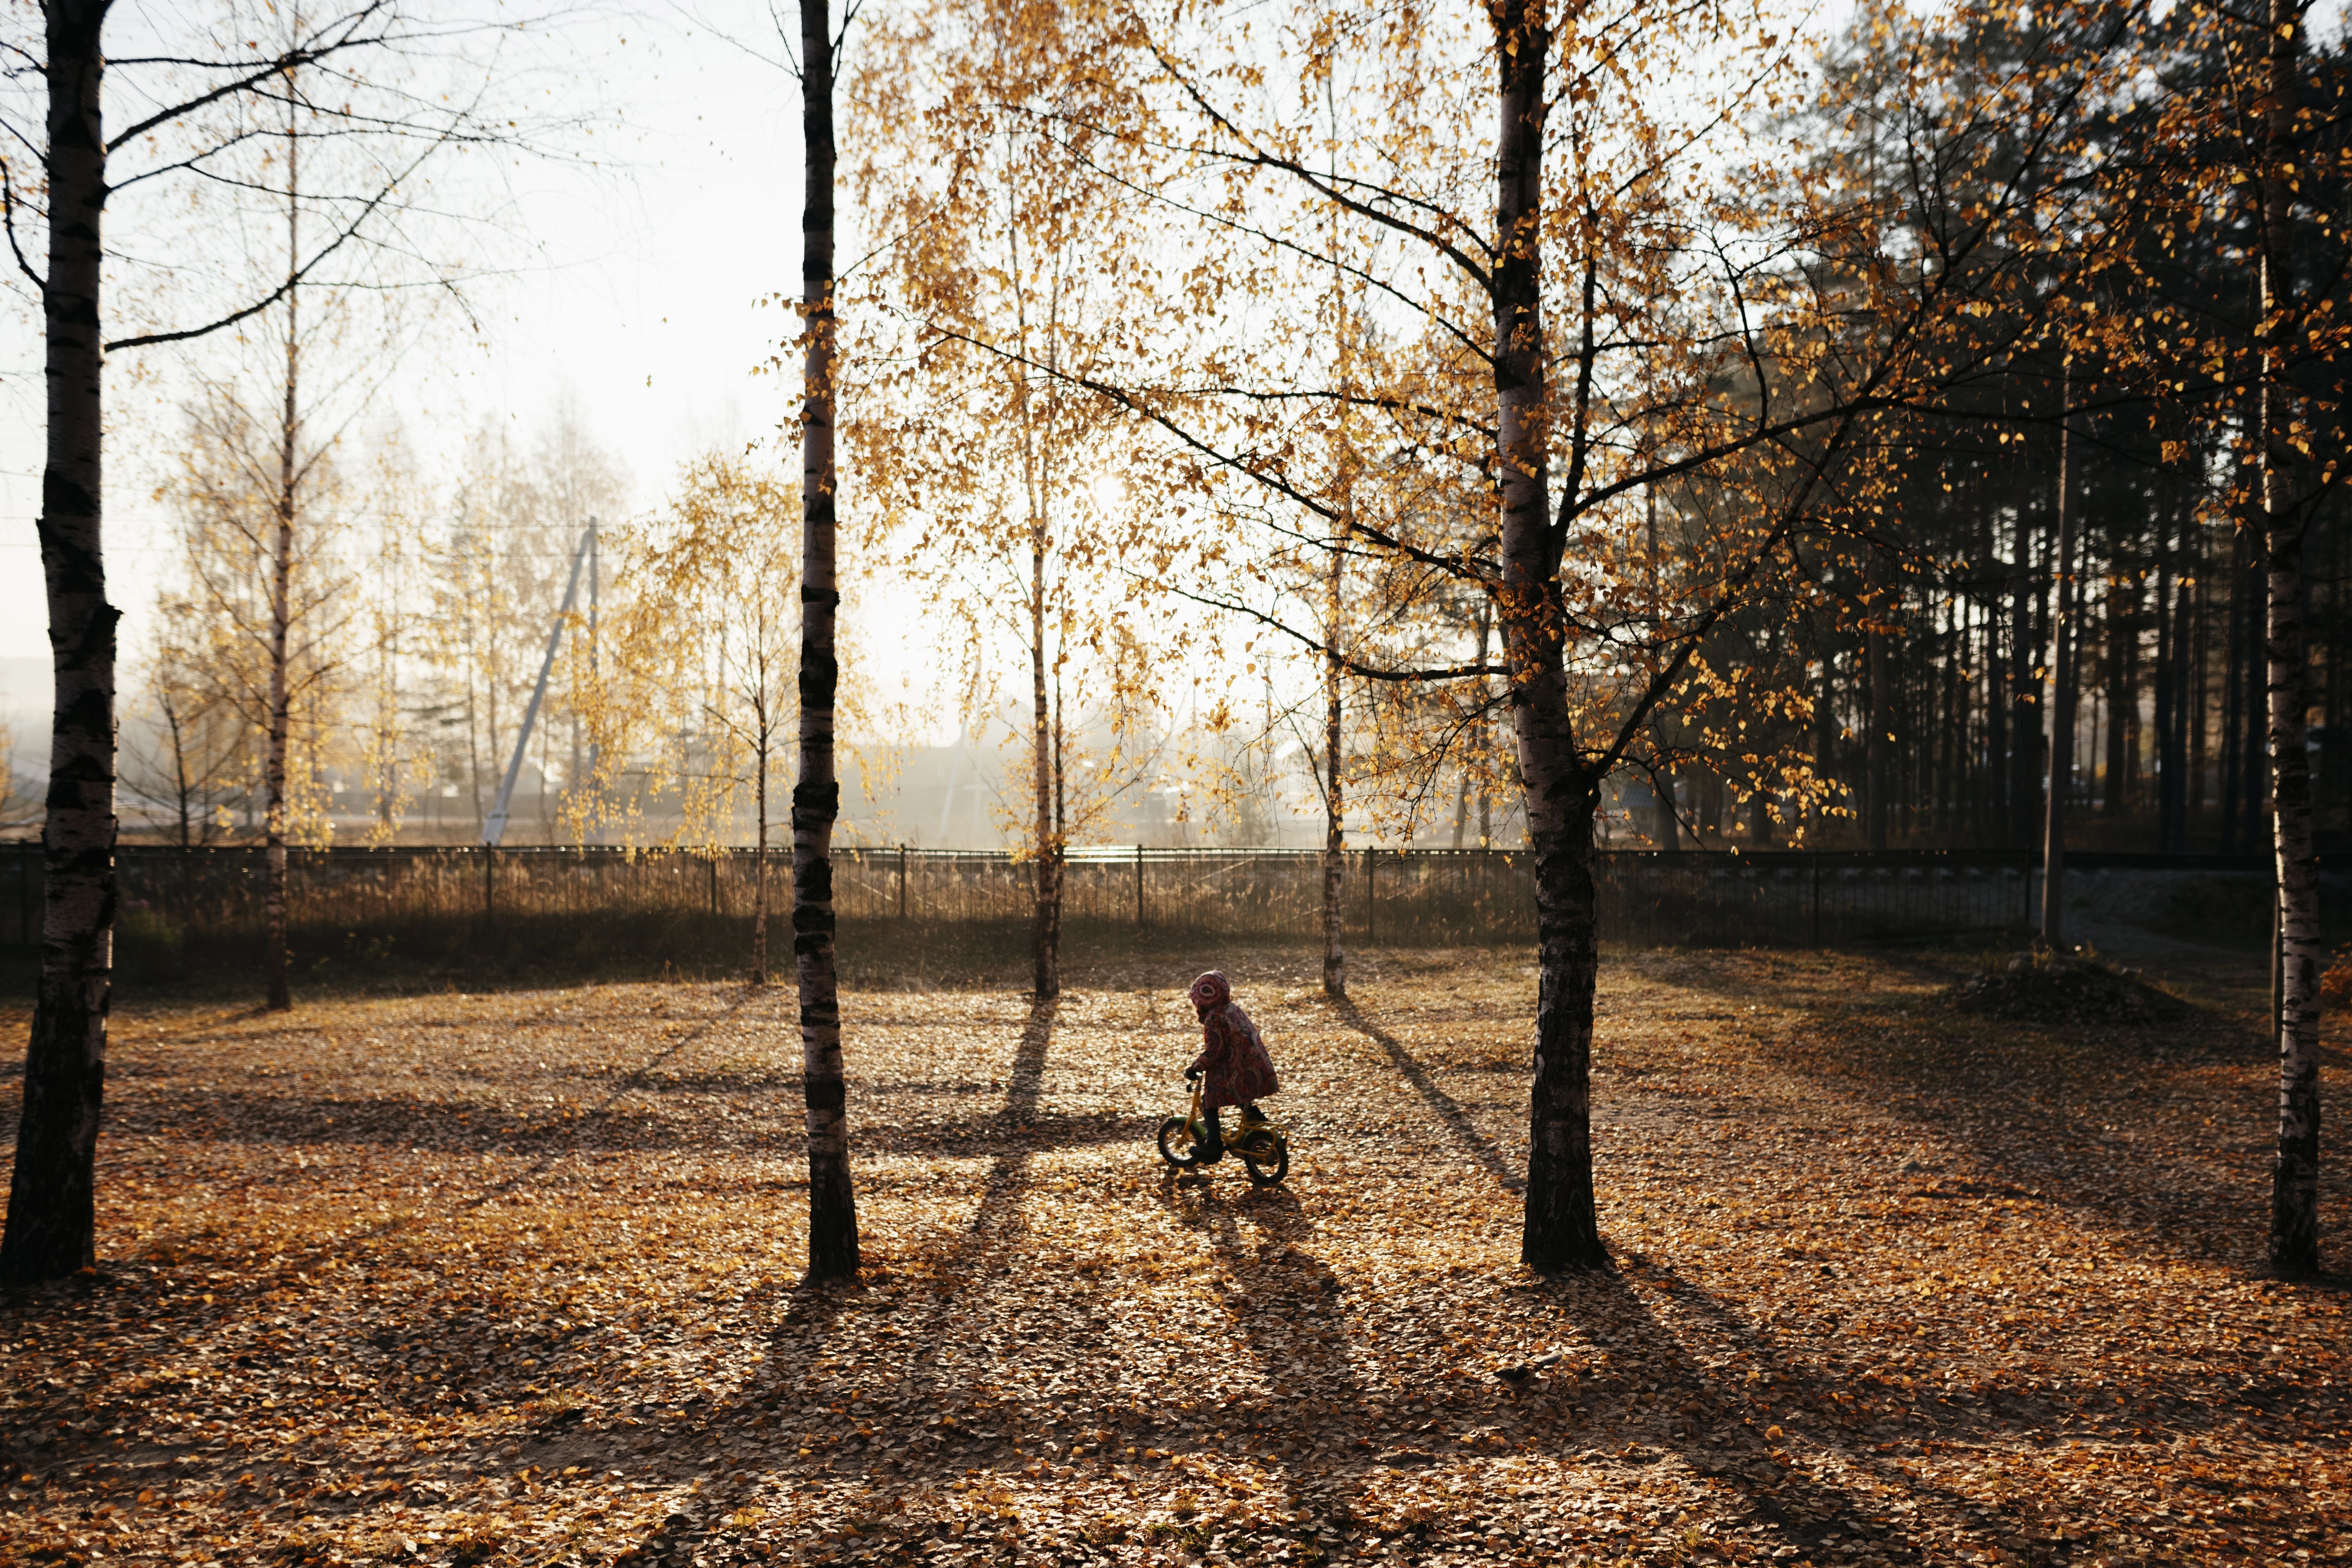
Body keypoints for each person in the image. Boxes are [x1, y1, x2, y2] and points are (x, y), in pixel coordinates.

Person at [1184, 970, 1280, 1164]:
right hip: (1255, 1066)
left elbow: (1215, 1050)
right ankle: (1254, 1117)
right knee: (1237, 1091)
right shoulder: (1233, 1009)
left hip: (1238, 1069)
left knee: (1209, 1101)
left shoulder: (1215, 1017)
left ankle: (1213, 1144)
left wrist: (1196, 1066)